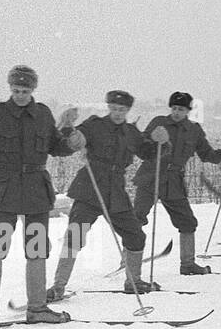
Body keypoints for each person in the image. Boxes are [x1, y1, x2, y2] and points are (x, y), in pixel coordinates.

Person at [0, 65, 74, 328]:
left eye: (25, 90)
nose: (21, 95)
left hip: (36, 189)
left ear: (33, 90)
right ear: (10, 88)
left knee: (36, 248)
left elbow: (56, 147)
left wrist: (70, 134)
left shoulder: (43, 114)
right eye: (16, 90)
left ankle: (37, 308)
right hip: (5, 190)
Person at [46, 90, 153, 298]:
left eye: (122, 110)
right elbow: (75, 142)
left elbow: (148, 152)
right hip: (90, 187)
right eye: (114, 109)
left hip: (116, 192)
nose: (117, 113)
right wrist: (68, 128)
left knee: (135, 235)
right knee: (74, 236)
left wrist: (161, 143)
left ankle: (134, 281)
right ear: (109, 108)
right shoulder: (95, 125)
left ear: (128, 110)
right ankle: (58, 286)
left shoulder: (131, 132)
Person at [132, 92, 221, 275]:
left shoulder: (194, 130)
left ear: (188, 110)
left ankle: (188, 264)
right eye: (175, 108)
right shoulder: (158, 122)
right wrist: (152, 139)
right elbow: (142, 146)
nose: (177, 112)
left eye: (182, 109)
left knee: (187, 222)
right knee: (135, 219)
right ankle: (129, 261)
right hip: (151, 176)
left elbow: (207, 154)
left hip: (174, 182)